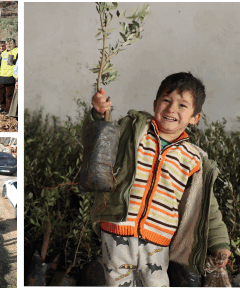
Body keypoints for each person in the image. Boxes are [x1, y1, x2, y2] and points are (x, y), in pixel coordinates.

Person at [89, 72, 231, 286]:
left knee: (156, 282)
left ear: (195, 118)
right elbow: (101, 145)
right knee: (117, 282)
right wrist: (100, 115)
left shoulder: (193, 158)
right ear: (155, 103)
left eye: (182, 105)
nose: (172, 108)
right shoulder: (135, 131)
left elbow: (207, 205)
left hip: (158, 239)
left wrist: (220, 242)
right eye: (166, 100)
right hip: (116, 229)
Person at [0, 38, 18, 114]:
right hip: (2, 76)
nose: (8, 45)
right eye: (7, 44)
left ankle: (8, 110)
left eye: (10, 44)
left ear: (14, 44)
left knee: (9, 94)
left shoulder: (16, 51)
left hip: (11, 76)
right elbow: (1, 63)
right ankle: (2, 107)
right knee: (0, 92)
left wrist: (13, 61)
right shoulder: (4, 53)